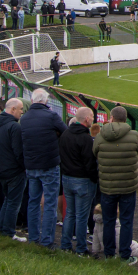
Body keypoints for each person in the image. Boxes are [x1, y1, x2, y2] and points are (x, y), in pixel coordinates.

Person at [93, 106, 138, 262]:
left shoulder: (101, 136)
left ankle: (109, 254)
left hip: (108, 185)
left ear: (112, 118)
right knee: (126, 221)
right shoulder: (134, 135)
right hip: (127, 186)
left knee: (108, 220)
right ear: (126, 118)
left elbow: (95, 152)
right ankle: (124, 254)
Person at [20, 88, 67, 249]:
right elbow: (65, 132)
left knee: (33, 202)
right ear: (46, 101)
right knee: (50, 203)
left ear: (33, 101)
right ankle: (46, 240)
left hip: (31, 165)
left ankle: (33, 237)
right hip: (49, 164)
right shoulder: (51, 116)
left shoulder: (24, 118)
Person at [58, 107, 99, 256]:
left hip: (67, 178)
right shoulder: (86, 139)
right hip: (82, 180)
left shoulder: (65, 134)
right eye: (92, 117)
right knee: (81, 216)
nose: (93, 120)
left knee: (70, 213)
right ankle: (81, 248)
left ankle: (65, 244)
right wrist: (94, 178)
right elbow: (89, 163)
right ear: (86, 119)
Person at [0, 98, 28, 241]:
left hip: (1, 168)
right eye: (20, 110)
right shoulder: (14, 127)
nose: (21, 113)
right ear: (13, 110)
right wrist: (23, 167)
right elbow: (18, 152)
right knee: (13, 202)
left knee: (8, 200)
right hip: (14, 170)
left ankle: (1, 229)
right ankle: (9, 232)